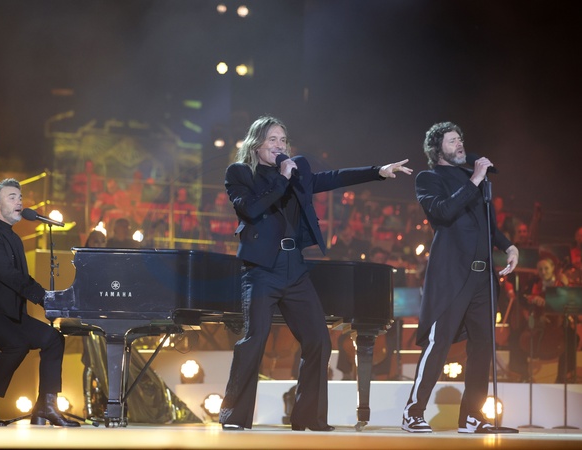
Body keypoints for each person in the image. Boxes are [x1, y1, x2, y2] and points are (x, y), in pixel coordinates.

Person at [218, 115, 412, 431]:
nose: (279, 146)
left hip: (294, 268)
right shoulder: (240, 173)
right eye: (272, 139)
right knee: (254, 339)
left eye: (283, 140)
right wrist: (282, 178)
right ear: (256, 144)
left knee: (319, 340)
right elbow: (250, 209)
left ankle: (309, 417)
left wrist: (377, 171)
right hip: (262, 269)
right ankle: (234, 417)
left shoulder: (297, 170)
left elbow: (332, 178)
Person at [401, 122, 519, 434]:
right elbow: (442, 211)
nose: (460, 144)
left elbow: (488, 226)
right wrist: (475, 179)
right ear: (437, 149)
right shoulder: (429, 178)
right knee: (438, 343)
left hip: (483, 277)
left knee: (482, 347)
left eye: (460, 139)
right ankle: (413, 412)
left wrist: (508, 246)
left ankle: (472, 416)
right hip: (452, 275)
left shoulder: (473, 180)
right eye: (452, 141)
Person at [0, 178, 79, 427]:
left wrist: (51, 298)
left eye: (20, 197)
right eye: (12, 197)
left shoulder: (13, 238)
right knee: (16, 343)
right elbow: (10, 276)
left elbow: (22, 278)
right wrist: (44, 298)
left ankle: (46, 405)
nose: (20, 202)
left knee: (53, 339)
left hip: (7, 314)